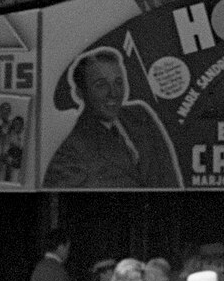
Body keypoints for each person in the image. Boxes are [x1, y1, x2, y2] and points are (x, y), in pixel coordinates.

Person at [43, 49, 182, 188]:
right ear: (80, 93)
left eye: (118, 82)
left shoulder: (141, 115)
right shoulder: (69, 147)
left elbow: (170, 180)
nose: (113, 93)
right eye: (101, 85)